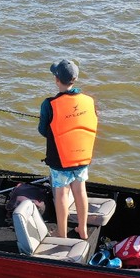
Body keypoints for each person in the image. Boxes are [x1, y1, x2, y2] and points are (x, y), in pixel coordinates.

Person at [38, 59, 98, 240]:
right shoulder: (89, 100)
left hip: (60, 159)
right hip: (82, 157)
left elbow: (43, 130)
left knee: (62, 193)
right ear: (75, 79)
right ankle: (83, 229)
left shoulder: (49, 104)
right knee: (80, 191)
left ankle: (61, 234)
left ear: (57, 79)